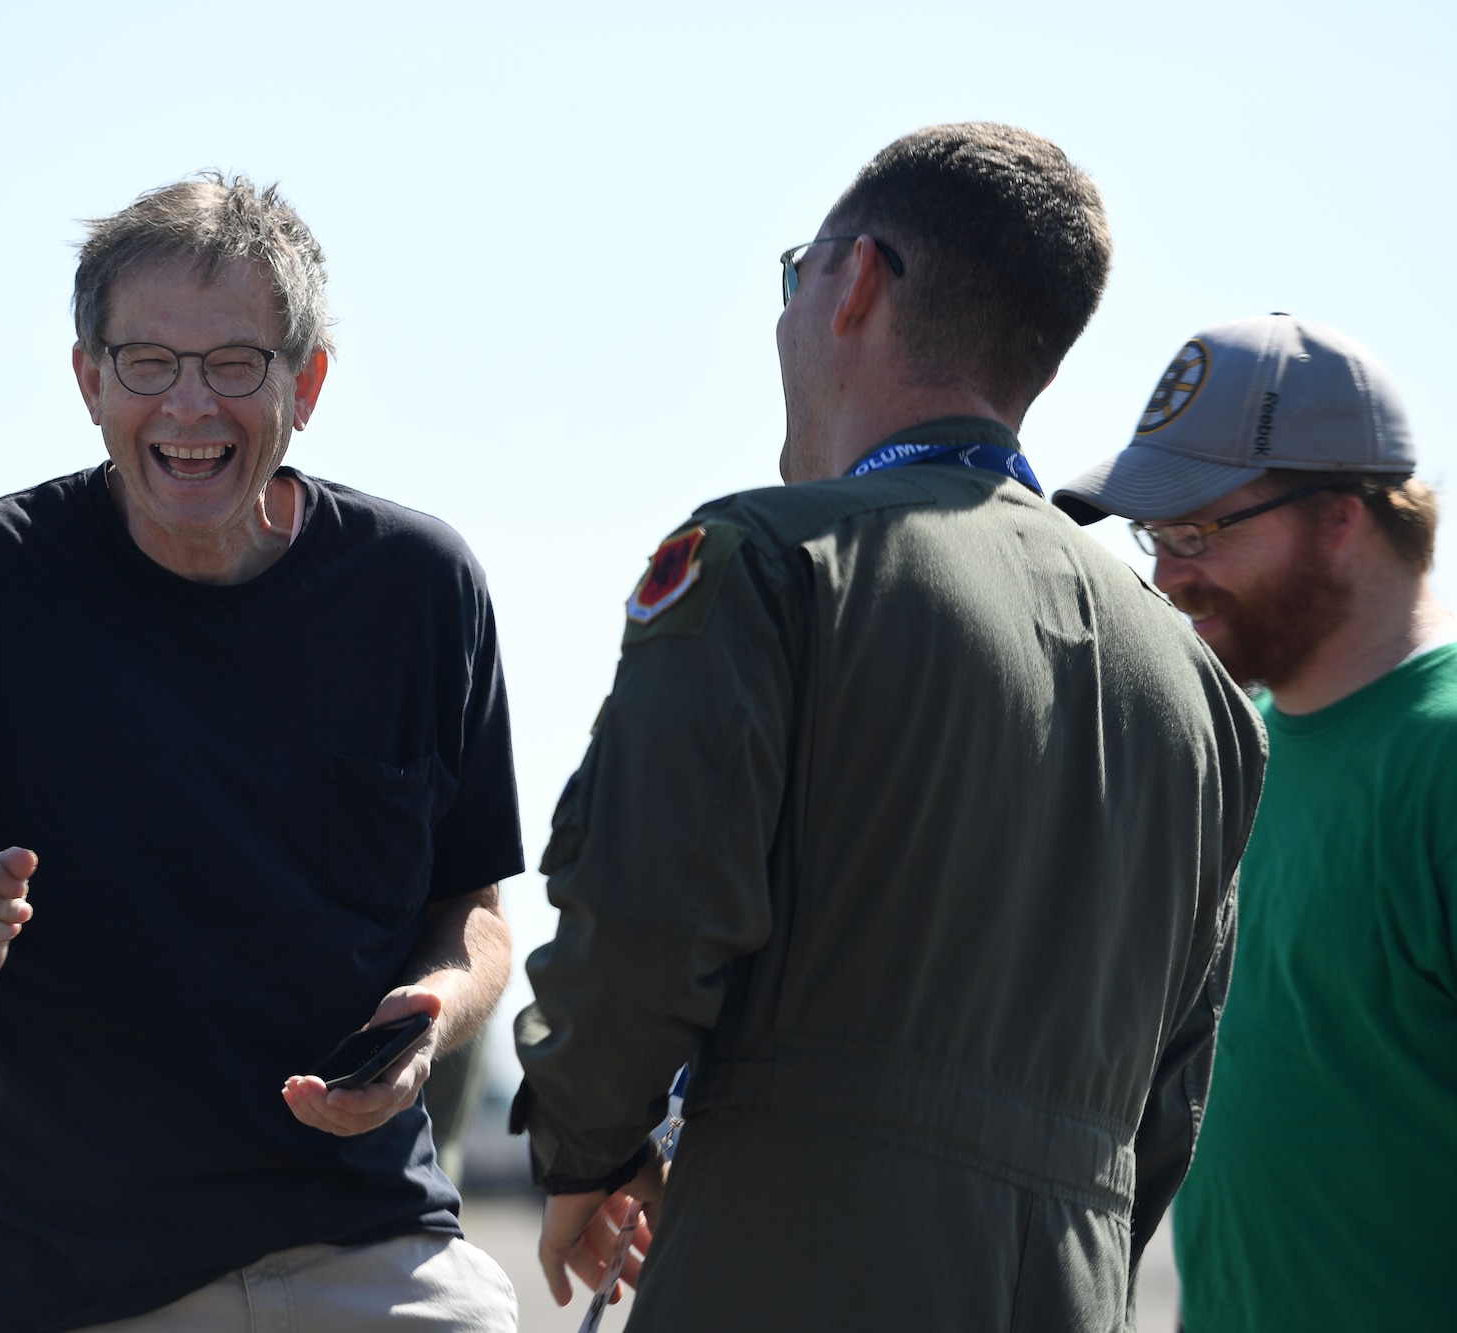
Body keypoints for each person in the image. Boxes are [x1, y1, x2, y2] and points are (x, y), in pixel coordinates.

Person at [511, 123, 1269, 1331]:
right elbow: (1167, 1098)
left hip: (787, 1263)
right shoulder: (1202, 695)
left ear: (852, 281)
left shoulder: (768, 561)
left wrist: (581, 1143)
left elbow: (649, 908)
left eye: (795, 276)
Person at [0, 173, 524, 1333]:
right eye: (147, 364)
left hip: (366, 1240)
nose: (189, 408)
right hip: (68, 1275)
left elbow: (471, 906)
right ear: (88, 378)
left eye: (234, 364)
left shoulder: (419, 587)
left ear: (305, 383)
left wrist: (435, 1005)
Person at [1054, 314, 1456, 1332]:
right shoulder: (1231, 757)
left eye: (1199, 531)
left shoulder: (1437, 757)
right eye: (1156, 537)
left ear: (1337, 515)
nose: (1166, 576)